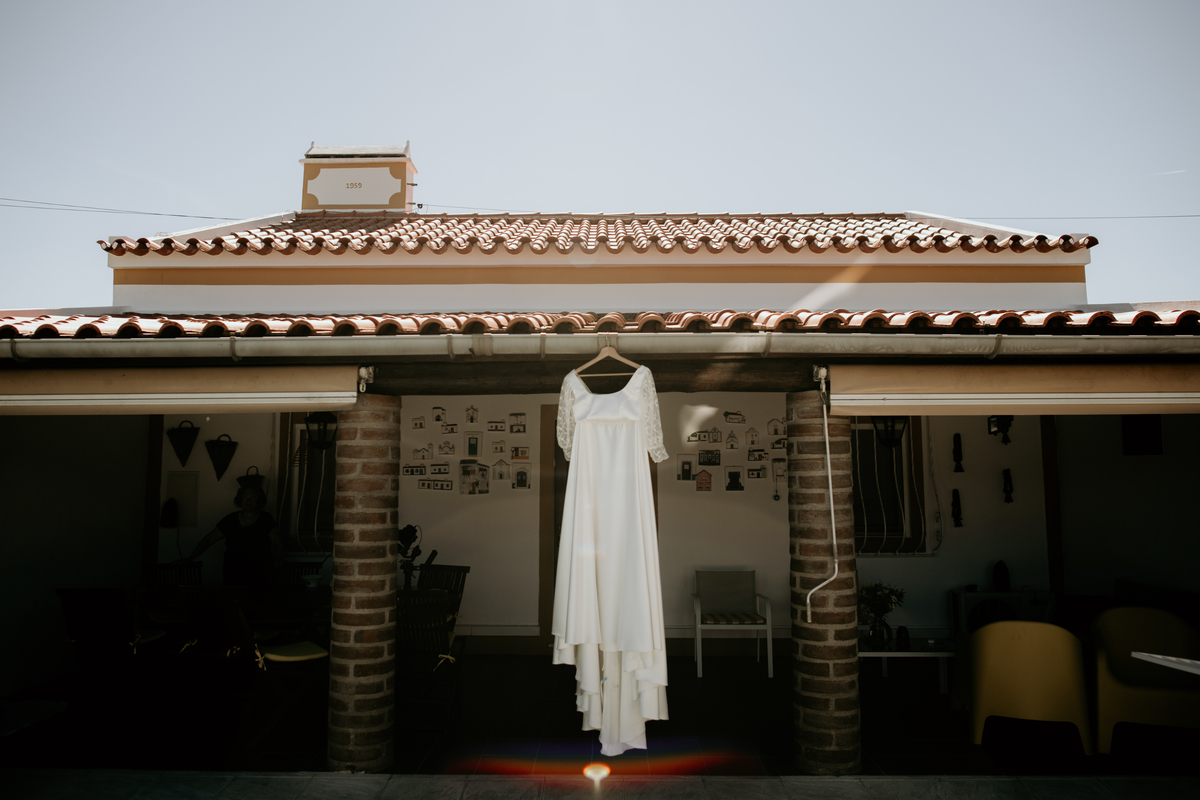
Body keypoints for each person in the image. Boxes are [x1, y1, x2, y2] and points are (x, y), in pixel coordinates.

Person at [183, 473, 282, 589]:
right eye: (245, 496)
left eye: (253, 496)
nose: (248, 500)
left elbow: (276, 540)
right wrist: (191, 558)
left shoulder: (266, 519)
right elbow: (209, 539)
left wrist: (278, 561)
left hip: (260, 572)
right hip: (234, 572)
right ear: (240, 499)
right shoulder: (230, 520)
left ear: (259, 500)